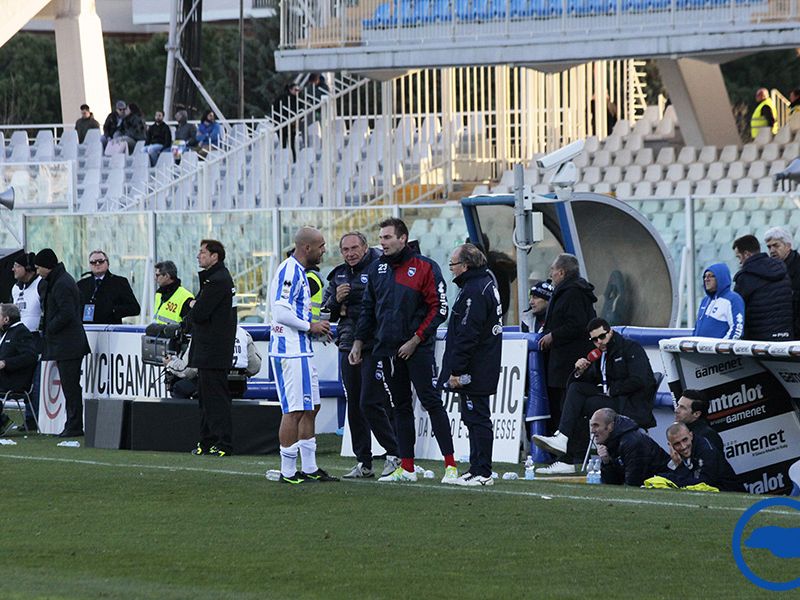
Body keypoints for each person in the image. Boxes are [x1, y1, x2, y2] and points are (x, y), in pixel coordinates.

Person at [350, 217, 457, 483]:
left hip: (417, 349)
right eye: (381, 237)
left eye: (387, 237)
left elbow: (439, 309)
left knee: (431, 401)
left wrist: (416, 339)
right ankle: (406, 468)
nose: (382, 242)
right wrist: (358, 341)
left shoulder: (426, 267)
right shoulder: (377, 270)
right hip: (387, 350)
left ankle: (451, 466)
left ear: (403, 238)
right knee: (400, 407)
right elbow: (368, 310)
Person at [533, 317, 657, 474]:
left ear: (610, 332)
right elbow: (592, 380)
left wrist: (613, 390)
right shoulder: (600, 355)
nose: (600, 342)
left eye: (602, 336)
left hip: (629, 404)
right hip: (613, 399)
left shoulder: (630, 347)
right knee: (576, 389)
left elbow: (641, 380)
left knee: (581, 404)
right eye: (595, 339)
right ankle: (563, 440)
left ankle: (567, 456)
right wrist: (580, 371)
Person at [323, 231, 399, 479]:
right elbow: (327, 314)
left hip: (374, 345)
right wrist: (337, 301)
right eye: (345, 250)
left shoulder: (380, 268)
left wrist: (351, 302)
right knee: (354, 404)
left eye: (354, 248)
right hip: (346, 344)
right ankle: (363, 462)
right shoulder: (338, 275)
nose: (350, 253)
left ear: (365, 247)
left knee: (371, 401)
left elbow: (386, 304)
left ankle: (394, 454)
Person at [269, 227, 337, 484]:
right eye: (321, 246)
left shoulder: (300, 272)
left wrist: (313, 329)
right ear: (306, 247)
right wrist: (311, 326)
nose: (323, 251)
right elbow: (280, 312)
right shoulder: (289, 270)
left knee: (311, 407)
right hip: (290, 352)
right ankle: (288, 471)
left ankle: (309, 467)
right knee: (294, 410)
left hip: (302, 349)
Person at [438, 243, 502, 486]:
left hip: (475, 367)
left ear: (465, 266)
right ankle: (476, 467)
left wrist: (458, 370)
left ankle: (483, 472)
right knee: (472, 417)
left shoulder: (474, 290)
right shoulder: (484, 283)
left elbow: (467, 333)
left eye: (453, 264)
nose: (451, 269)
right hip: (480, 364)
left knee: (478, 418)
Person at [187, 239, 237, 457]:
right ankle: (206, 440)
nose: (199, 256)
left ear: (215, 256)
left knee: (215, 399)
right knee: (206, 398)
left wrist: (192, 305)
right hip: (209, 349)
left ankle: (223, 442)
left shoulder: (218, 281)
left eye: (202, 252)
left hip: (213, 350)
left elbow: (199, 313)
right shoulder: (215, 280)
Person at [538, 253, 597, 436]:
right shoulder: (569, 291)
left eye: (553, 271)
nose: (551, 275)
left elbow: (578, 325)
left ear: (562, 272)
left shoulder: (573, 293)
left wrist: (553, 335)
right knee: (563, 406)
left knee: (568, 407)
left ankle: (570, 452)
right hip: (564, 361)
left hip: (569, 361)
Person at [34, 248, 91, 437]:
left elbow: (67, 313)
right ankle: (72, 423)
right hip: (65, 343)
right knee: (69, 385)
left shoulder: (62, 284)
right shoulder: (56, 281)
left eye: (38, 267)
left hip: (69, 344)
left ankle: (74, 425)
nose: (37, 271)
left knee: (71, 386)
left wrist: (49, 327)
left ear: (47, 267)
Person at [165, 325, 261, 399]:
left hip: (211, 386)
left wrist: (170, 363)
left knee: (179, 388)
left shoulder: (202, 333)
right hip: (237, 387)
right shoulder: (243, 333)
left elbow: (188, 372)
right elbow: (254, 368)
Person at [732, 234, 793, 341]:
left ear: (746, 254)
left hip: (759, 341)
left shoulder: (745, 277)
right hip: (786, 336)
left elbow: (737, 310)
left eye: (739, 257)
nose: (740, 262)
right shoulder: (782, 270)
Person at [654, 422, 742, 492]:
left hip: (730, 493)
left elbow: (701, 485)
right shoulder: (675, 455)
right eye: (677, 444)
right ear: (670, 445)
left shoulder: (706, 451)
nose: (683, 446)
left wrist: (680, 467)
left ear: (691, 435)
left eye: (685, 440)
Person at [591, 408, 669, 487]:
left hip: (666, 482)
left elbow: (633, 484)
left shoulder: (632, 443)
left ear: (610, 426)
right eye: (592, 425)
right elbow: (613, 484)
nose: (592, 431)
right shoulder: (612, 441)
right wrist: (607, 462)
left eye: (596, 425)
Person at [11, 252, 43, 430]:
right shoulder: (15, 288)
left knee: (35, 381)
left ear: (27, 268)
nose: (13, 269)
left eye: (17, 265)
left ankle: (33, 418)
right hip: (19, 338)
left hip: (35, 337)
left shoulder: (40, 285)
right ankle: (28, 418)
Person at [0, 304, 37, 434]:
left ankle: (3, 422)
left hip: (14, 380)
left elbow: (30, 356)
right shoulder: (6, 333)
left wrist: (6, 363)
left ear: (6, 319)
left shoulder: (21, 332)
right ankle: (3, 420)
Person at [77, 250, 141, 325]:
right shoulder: (81, 284)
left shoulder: (119, 282)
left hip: (111, 329)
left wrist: (112, 310)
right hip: (87, 329)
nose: (97, 264)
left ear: (107, 263)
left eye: (100, 261)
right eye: (93, 262)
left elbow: (135, 308)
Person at [764, 227, 800, 339]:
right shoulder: (769, 271)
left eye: (776, 245)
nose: (772, 251)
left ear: (788, 246)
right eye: (769, 247)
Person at [693, 263, 744, 339]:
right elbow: (697, 328)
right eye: (705, 276)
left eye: (710, 276)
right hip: (699, 350)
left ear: (720, 277)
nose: (706, 279)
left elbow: (737, 329)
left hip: (718, 350)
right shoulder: (705, 300)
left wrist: (722, 348)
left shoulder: (733, 299)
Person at [674, 389, 723, 453]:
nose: (676, 410)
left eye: (682, 407)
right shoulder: (684, 430)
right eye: (678, 405)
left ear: (696, 414)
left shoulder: (707, 436)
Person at [153, 260, 193, 325]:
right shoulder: (159, 294)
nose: (155, 278)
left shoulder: (185, 297)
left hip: (174, 334)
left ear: (167, 276)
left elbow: (190, 325)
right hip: (157, 334)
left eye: (157, 275)